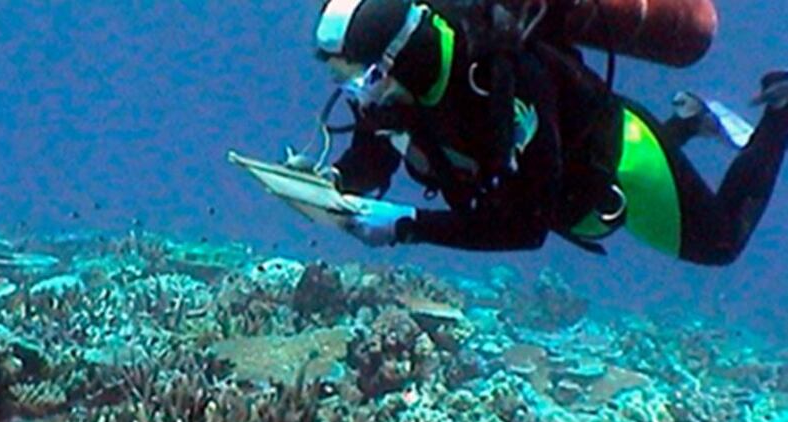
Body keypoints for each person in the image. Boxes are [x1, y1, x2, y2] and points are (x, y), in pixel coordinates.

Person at [311, 0, 788, 265]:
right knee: (574, 176)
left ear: (401, 54)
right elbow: (373, 157)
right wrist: (326, 181)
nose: (359, 92)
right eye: (344, 77)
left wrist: (406, 225)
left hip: (625, 158)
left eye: (362, 75)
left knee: (721, 242)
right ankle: (688, 119)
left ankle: (780, 108)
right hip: (567, 178)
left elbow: (526, 226)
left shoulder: (502, 77)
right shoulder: (394, 90)